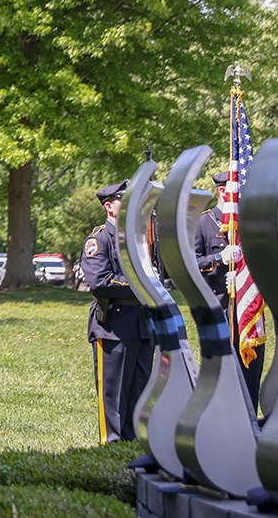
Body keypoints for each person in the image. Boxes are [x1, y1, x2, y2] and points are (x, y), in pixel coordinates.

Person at [79, 180, 154, 444]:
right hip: (114, 324)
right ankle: (110, 444)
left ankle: (133, 442)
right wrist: (141, 284)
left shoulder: (136, 238)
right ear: (110, 206)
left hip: (142, 324)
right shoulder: (99, 238)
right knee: (114, 393)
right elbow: (100, 281)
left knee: (139, 390)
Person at [194, 170, 264, 411]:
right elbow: (192, 264)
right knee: (224, 371)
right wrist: (218, 260)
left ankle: (250, 419)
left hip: (248, 308)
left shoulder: (250, 223)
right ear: (224, 191)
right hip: (220, 307)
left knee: (251, 370)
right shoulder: (204, 222)